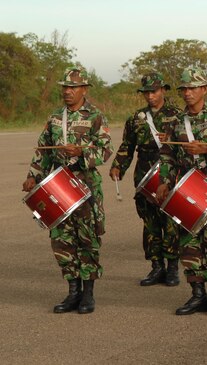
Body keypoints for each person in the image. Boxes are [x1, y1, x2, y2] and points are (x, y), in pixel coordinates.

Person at [22, 66, 113, 314]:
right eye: (65, 87)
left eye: (73, 87)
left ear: (84, 89)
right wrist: (33, 176)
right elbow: (43, 150)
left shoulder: (95, 116)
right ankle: (72, 292)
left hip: (85, 186)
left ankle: (88, 295)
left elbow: (106, 150)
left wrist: (82, 152)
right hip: (58, 185)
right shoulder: (54, 117)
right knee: (62, 240)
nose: (68, 92)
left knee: (88, 239)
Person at [156, 67, 207, 316]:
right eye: (184, 89)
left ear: (204, 89)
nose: (188, 93)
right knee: (189, 242)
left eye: (193, 88)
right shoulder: (174, 122)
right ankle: (196, 294)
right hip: (185, 186)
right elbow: (168, 155)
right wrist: (164, 181)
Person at [110, 72, 181, 287]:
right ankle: (156, 267)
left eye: (154, 91)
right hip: (144, 171)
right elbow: (127, 146)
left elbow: (187, 144)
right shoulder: (136, 118)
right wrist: (118, 166)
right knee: (149, 222)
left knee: (170, 221)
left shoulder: (177, 115)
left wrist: (172, 141)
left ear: (163, 91)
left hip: (169, 171)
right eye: (146, 92)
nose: (150, 96)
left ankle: (173, 268)